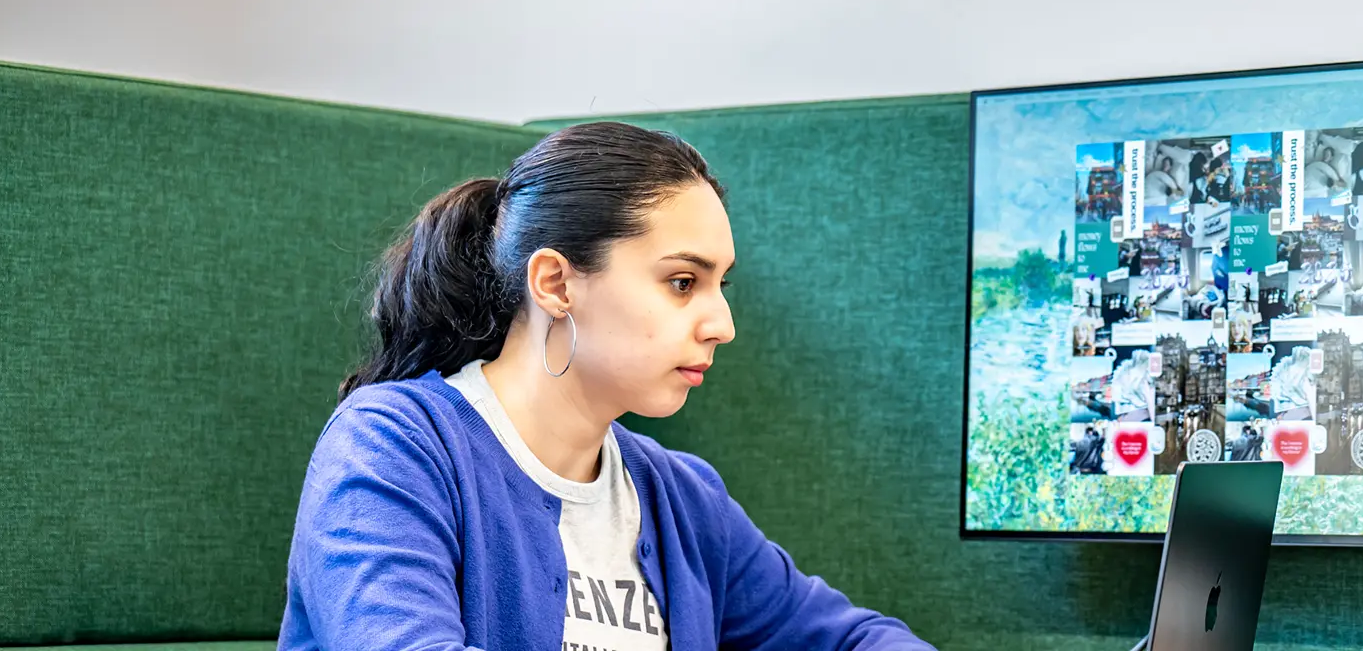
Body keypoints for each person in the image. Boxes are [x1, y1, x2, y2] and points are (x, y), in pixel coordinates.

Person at [278, 122, 933, 650]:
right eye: (683, 283)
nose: (722, 325)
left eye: (720, 286)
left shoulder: (678, 497)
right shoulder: (393, 446)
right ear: (556, 284)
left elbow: (853, 638)